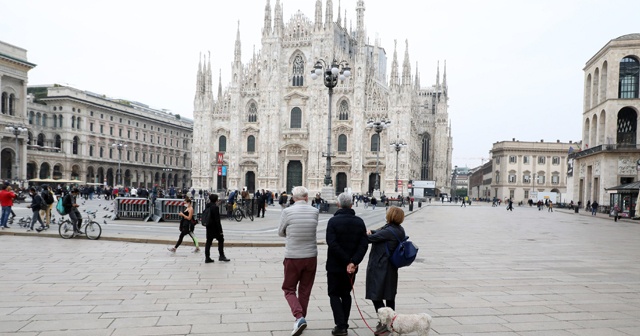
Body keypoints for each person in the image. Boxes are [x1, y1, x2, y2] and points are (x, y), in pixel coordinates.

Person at [325, 193, 368, 336]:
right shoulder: (359, 222)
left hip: (335, 266)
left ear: (338, 204)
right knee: (346, 294)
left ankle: (341, 326)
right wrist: (353, 262)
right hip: (351, 268)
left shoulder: (333, 222)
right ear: (351, 205)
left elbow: (332, 243)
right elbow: (363, 245)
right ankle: (343, 324)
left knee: (334, 294)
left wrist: (346, 261)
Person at [278, 186, 319, 336]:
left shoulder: (287, 212)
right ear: (307, 197)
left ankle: (299, 317)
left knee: (288, 289)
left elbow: (280, 232)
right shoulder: (315, 211)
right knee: (305, 290)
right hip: (310, 257)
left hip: (293, 257)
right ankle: (301, 319)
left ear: (293, 198)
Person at [365, 206, 406, 336]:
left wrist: (366, 233)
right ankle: (391, 323)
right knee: (389, 296)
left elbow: (369, 238)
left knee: (375, 295)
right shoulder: (398, 229)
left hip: (380, 266)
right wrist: (371, 231)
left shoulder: (389, 231)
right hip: (390, 267)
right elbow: (377, 232)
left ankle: (386, 322)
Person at [204, 194, 230, 263]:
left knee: (208, 241)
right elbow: (217, 220)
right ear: (216, 200)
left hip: (208, 226)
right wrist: (220, 230)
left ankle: (207, 257)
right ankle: (221, 255)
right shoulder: (215, 208)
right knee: (221, 239)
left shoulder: (207, 206)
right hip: (214, 227)